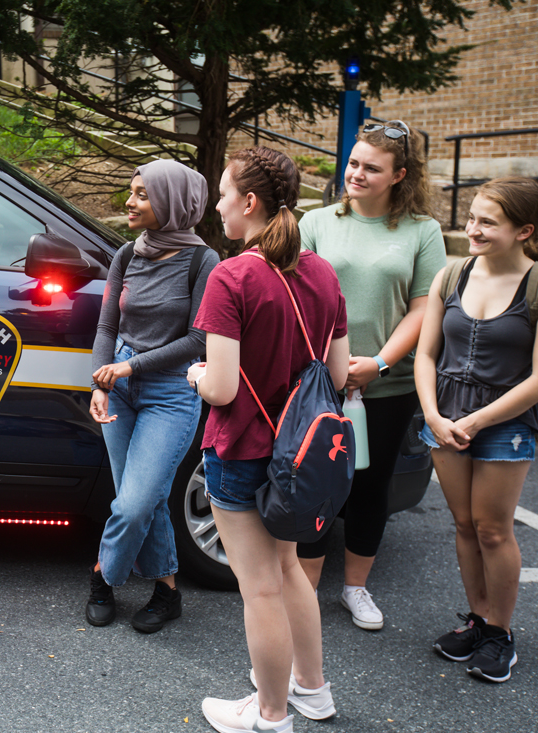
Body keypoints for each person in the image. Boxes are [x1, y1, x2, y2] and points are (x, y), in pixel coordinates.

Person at [188, 147, 348, 733]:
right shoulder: (324, 273)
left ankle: (271, 713)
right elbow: (335, 376)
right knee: (289, 570)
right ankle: (313, 692)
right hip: (301, 455)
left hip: (242, 450)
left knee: (259, 589)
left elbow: (223, 389)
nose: (218, 204)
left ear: (249, 202)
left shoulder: (231, 277)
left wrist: (197, 375)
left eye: (224, 193)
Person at [296, 120, 446, 630]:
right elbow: (295, 297)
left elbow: (425, 307)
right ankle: (306, 590)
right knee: (314, 481)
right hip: (317, 380)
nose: (356, 174)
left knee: (369, 485)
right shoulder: (315, 222)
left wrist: (378, 363)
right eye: (353, 162)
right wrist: (337, 366)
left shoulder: (422, 232)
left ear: (399, 175)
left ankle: (355, 589)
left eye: (371, 168)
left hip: (388, 384)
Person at [85, 159, 218, 633]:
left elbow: (201, 339)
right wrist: (101, 384)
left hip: (171, 390)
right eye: (131, 191)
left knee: (136, 502)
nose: (129, 201)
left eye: (142, 194)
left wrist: (130, 366)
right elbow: (107, 325)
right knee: (147, 497)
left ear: (172, 202)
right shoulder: (127, 254)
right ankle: (167, 592)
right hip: (119, 386)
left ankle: (104, 575)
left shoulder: (204, 262)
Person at [414, 177, 538, 683]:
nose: (472, 229)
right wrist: (432, 416)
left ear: (524, 230)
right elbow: (426, 354)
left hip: (504, 426)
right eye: (471, 218)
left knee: (492, 528)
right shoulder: (451, 275)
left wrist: (473, 421)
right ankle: (479, 619)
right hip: (443, 419)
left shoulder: (535, 284)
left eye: (488, 222)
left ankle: (500, 635)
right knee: (464, 525)